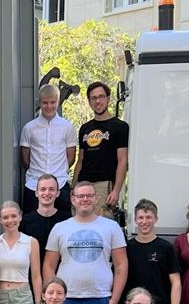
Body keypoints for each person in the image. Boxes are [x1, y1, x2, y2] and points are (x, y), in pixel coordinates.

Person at [123, 199, 181, 304]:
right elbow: (119, 277)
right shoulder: (126, 248)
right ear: (135, 220)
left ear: (156, 219)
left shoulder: (166, 248)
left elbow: (176, 282)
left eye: (148, 217)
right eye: (141, 218)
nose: (144, 221)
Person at [72, 82, 129, 218]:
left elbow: (122, 161)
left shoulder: (120, 127)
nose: (98, 101)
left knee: (100, 230)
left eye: (101, 97)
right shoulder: (85, 128)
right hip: (82, 184)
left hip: (104, 186)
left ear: (108, 98)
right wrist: (73, 187)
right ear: (90, 101)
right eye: (94, 98)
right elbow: (81, 160)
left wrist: (116, 191)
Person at [20, 83, 77, 214]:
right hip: (34, 184)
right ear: (39, 102)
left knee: (62, 227)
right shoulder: (29, 128)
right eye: (45, 102)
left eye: (53, 102)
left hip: (60, 184)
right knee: (31, 226)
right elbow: (25, 159)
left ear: (58, 102)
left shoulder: (67, 127)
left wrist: (58, 170)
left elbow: (71, 157)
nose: (49, 106)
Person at [20, 174, 69, 267]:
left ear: (58, 193)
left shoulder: (67, 220)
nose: (47, 193)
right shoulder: (25, 221)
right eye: (43, 189)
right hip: (31, 274)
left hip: (60, 275)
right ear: (36, 193)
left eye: (51, 189)